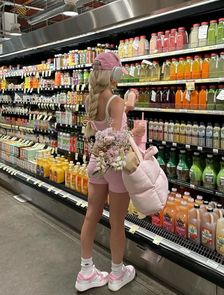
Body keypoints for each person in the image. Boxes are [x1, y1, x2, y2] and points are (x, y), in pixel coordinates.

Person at [75, 52, 145, 292]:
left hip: (96, 162)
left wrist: (124, 108)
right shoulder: (115, 101)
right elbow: (117, 139)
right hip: (114, 166)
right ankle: (117, 273)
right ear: (113, 74)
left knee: (90, 215)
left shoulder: (89, 99)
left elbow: (104, 130)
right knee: (117, 222)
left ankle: (86, 272)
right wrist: (134, 129)